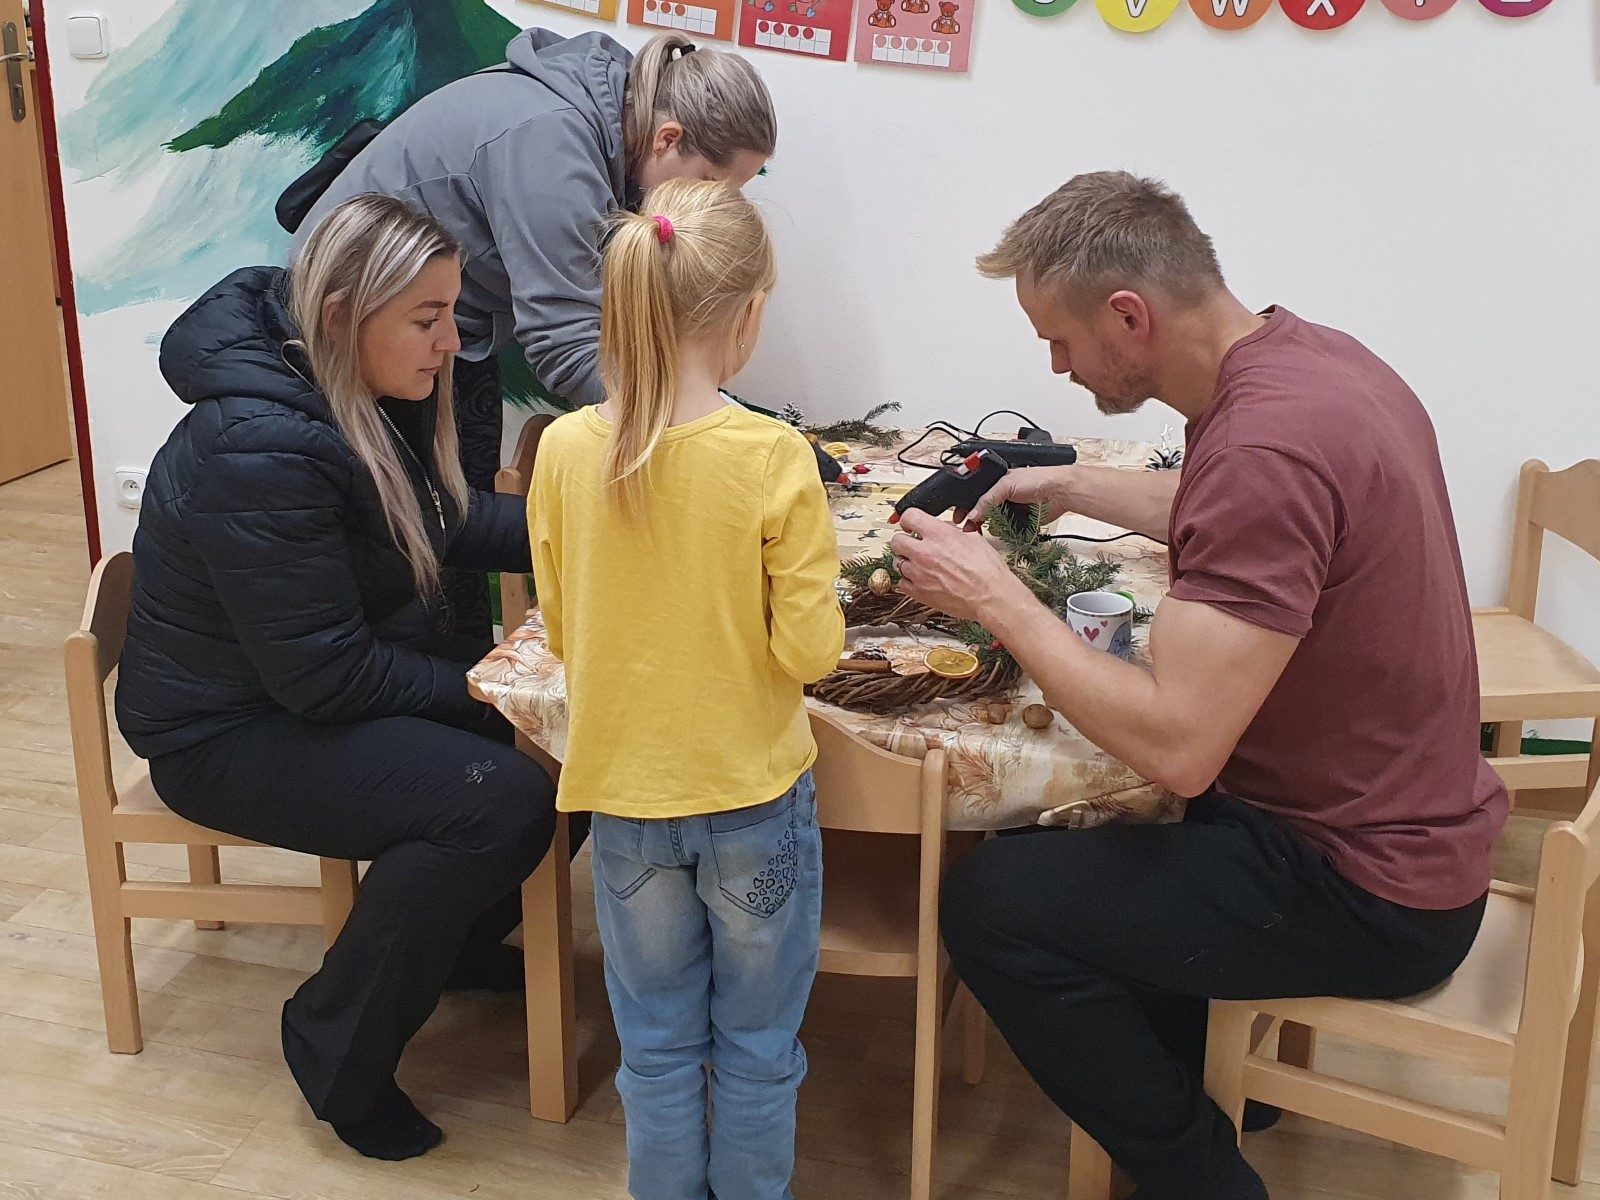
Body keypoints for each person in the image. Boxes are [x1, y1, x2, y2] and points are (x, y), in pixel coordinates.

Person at [890, 172, 1509, 1200]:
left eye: (1061, 341)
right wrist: (1063, 481)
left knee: (996, 905)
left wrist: (997, 597)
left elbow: (1179, 747)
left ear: (1128, 315)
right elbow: (1219, 499)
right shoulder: (1310, 365)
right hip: (1415, 828)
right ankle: (1225, 1079)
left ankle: (1206, 1181)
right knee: (1081, 840)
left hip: (1366, 887)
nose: (1056, 366)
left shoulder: (1265, 448)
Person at [116, 196, 561, 1162]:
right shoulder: (259, 447)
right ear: (338, 315)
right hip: (224, 733)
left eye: (452, 314)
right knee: (499, 799)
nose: (452, 343)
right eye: (427, 319)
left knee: (573, 751)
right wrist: (501, 689)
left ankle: (451, 943)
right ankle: (333, 1043)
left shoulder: (343, 388)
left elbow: (444, 519)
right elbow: (327, 679)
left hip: (295, 690)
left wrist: (601, 535)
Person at [527, 180, 844, 1200]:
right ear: (748, 315)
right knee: (757, 1046)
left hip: (624, 804)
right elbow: (810, 652)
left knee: (656, 1048)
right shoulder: (773, 456)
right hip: (752, 798)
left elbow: (565, 632)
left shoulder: (562, 450)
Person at [291, 29, 778, 642]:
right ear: (667, 138)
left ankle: (464, 673)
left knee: (456, 533)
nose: (705, 206)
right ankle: (456, 685)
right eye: (708, 183)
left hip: (448, 334)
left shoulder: (611, 117)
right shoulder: (554, 144)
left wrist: (718, 413)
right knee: (410, 558)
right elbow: (565, 343)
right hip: (351, 343)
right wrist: (706, 427)